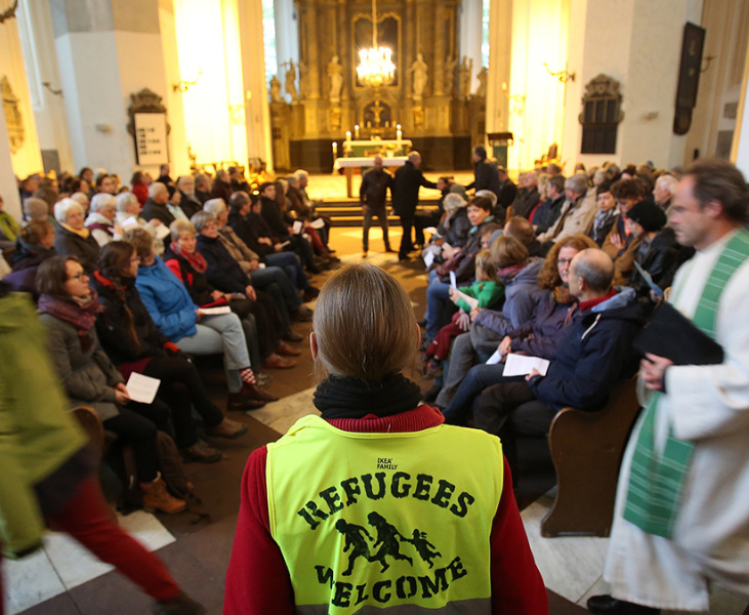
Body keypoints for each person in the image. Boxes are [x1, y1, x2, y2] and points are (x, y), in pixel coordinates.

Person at [223, 263, 548, 614]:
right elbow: (523, 601)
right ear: (414, 342)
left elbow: (250, 605)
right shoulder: (483, 459)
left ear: (315, 348)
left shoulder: (271, 471)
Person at [590, 160, 749, 615]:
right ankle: (635, 596)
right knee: (648, 509)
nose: (670, 217)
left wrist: (674, 377)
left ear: (714, 208)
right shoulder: (705, 260)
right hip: (673, 412)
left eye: (679, 209)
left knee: (702, 534)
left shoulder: (743, 275)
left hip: (712, 434)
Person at [0, 280, 205, 615]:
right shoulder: (19, 313)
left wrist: (19, 533)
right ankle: (172, 596)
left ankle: (153, 489)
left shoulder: (59, 318)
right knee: (104, 536)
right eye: (76, 275)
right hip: (61, 438)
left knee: (155, 414)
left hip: (35, 457)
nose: (84, 280)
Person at [35, 255, 187, 514]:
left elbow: (97, 353)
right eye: (78, 276)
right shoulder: (49, 323)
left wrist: (117, 381)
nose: (86, 279)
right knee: (144, 428)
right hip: (79, 402)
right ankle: (148, 490)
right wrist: (109, 394)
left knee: (159, 409)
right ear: (58, 285)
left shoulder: (80, 308)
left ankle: (168, 473)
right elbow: (64, 380)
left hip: (102, 385)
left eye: (84, 273)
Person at [475, 249, 643, 476]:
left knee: (497, 409)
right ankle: (496, 476)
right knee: (490, 396)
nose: (565, 274)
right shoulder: (596, 309)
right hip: (555, 378)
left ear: (581, 283)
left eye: (570, 272)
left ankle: (501, 484)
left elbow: (584, 392)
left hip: (572, 407)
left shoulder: (608, 328)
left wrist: (538, 382)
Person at [93, 242, 249, 463]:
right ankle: (213, 419)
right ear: (123, 265)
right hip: (124, 366)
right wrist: (159, 352)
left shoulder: (128, 287)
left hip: (145, 353)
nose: (138, 263)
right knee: (184, 367)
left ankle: (189, 444)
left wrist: (166, 345)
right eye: (134, 260)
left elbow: (149, 326)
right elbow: (128, 345)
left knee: (179, 388)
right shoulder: (105, 302)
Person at [440, 234, 596, 423]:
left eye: (571, 261)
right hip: (534, 352)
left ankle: (447, 418)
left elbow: (560, 344)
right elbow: (533, 322)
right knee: (463, 343)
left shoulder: (579, 301)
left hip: (548, 366)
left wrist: (518, 343)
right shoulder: (557, 290)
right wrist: (513, 338)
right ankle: (446, 407)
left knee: (478, 373)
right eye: (561, 261)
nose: (565, 267)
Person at [124, 227, 275, 410]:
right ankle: (240, 390)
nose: (152, 255)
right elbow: (159, 325)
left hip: (192, 313)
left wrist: (196, 309)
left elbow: (182, 291)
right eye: (146, 255)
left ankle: (244, 387)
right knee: (231, 339)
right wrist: (191, 314)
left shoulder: (157, 263)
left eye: (152, 251)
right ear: (136, 258)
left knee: (231, 320)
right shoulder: (141, 283)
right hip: (178, 330)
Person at [173, 215, 299, 369]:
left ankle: (278, 341)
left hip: (231, 286)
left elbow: (233, 265)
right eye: (208, 226)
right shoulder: (198, 249)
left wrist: (246, 284)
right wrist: (238, 289)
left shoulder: (211, 244)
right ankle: (268, 354)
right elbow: (213, 276)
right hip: (218, 293)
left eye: (214, 224)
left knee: (268, 296)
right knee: (257, 307)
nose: (214, 228)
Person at [204, 198, 311, 324]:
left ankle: (287, 322)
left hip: (252, 263)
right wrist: (250, 264)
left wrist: (253, 257)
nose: (228, 212)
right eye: (226, 210)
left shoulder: (228, 230)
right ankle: (296, 306)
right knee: (278, 271)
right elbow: (230, 262)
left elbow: (244, 247)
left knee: (280, 279)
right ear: (219, 215)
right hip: (244, 272)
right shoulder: (217, 236)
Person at [424, 197, 497, 341]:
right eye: (469, 211)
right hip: (467, 277)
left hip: (471, 280)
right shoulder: (477, 229)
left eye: (476, 211)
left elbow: (470, 264)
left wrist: (445, 277)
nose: (471, 215)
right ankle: (431, 319)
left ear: (487, 212)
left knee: (434, 288)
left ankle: (432, 333)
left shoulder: (487, 232)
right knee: (434, 275)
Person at [422, 249, 503, 375]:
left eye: (478, 268)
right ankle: (431, 353)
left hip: (478, 322)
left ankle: (436, 359)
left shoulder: (494, 287)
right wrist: (460, 291)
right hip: (469, 316)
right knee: (450, 323)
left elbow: (479, 305)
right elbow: (472, 290)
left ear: (487, 271)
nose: (476, 271)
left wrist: (459, 301)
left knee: (446, 331)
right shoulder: (485, 281)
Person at [227, 192, 319, 294]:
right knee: (292, 256)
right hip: (260, 257)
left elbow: (255, 239)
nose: (250, 204)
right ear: (243, 206)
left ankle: (298, 293)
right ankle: (304, 290)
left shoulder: (245, 219)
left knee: (291, 267)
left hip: (260, 253)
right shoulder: (239, 224)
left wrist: (265, 240)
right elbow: (249, 247)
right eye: (248, 202)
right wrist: (269, 249)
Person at [625, 200, 679, 296]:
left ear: (644, 223)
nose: (629, 227)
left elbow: (648, 284)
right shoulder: (645, 245)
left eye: (632, 223)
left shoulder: (664, 248)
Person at [392, 151, 439, 260]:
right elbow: (425, 183)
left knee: (407, 226)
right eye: (419, 160)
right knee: (407, 229)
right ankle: (402, 252)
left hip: (400, 205)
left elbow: (394, 188)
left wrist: (394, 204)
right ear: (415, 160)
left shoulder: (399, 170)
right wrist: (439, 186)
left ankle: (408, 247)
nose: (420, 162)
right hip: (408, 206)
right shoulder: (414, 171)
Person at [5, 219, 56, 299]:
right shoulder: (42, 262)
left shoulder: (21, 252)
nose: (55, 235)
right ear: (43, 240)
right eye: (52, 233)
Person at [359, 155, 395, 257]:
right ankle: (365, 248)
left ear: (382, 164)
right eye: (377, 164)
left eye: (380, 164)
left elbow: (392, 191)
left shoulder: (387, 176)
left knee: (385, 227)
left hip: (381, 205)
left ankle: (387, 245)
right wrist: (363, 204)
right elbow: (362, 191)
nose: (378, 166)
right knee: (366, 226)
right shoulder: (368, 175)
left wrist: (393, 205)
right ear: (374, 164)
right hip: (370, 205)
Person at [54, 198, 101, 273]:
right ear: (63, 219)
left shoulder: (84, 232)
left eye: (79, 214)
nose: (78, 218)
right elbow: (79, 263)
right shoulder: (63, 239)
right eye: (72, 216)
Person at [588, 181, 618, 246]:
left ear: (615, 199)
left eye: (606, 198)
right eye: (599, 199)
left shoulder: (616, 217)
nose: (602, 202)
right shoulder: (597, 215)